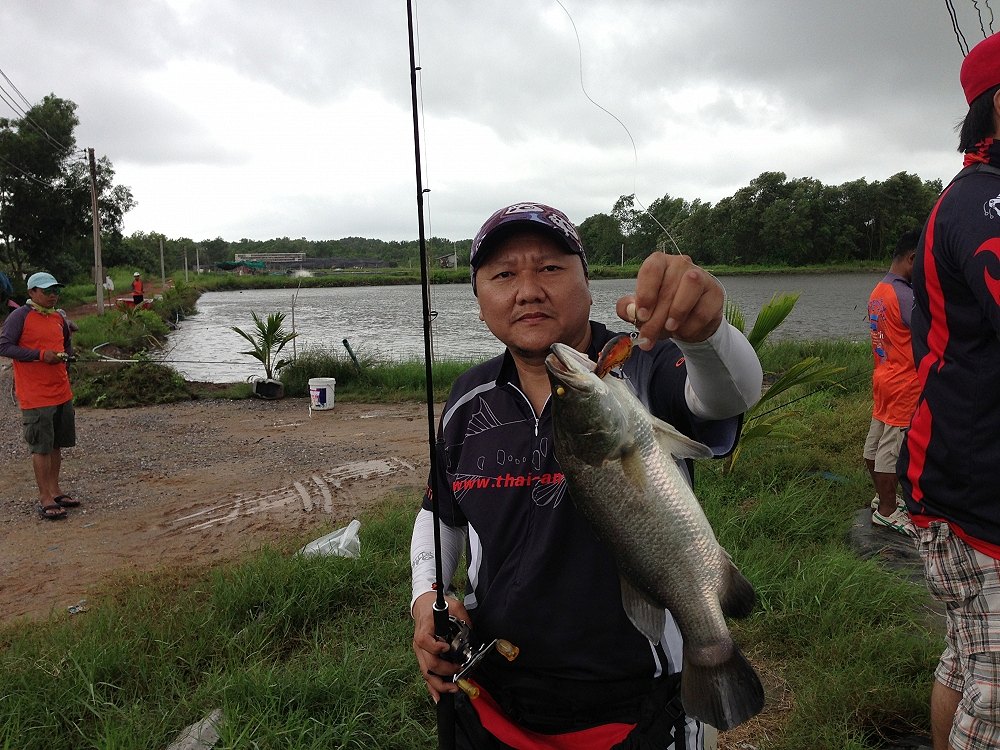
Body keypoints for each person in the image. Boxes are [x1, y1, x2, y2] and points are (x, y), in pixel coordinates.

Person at [410, 202, 764, 749]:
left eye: (550, 268)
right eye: (503, 275)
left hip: (637, 700)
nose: (528, 289)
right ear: (480, 303)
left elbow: (726, 396)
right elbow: (441, 516)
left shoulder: (642, 366)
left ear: (587, 282)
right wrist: (426, 597)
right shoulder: (466, 399)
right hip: (494, 686)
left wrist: (705, 336)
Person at [898, 32, 1000, 750]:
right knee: (995, 694)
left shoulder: (969, 197)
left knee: (967, 660)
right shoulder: (986, 202)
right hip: (977, 490)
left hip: (947, 476)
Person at [0, 271, 79, 520]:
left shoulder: (58, 317)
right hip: (36, 395)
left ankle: (55, 491)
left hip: (61, 391)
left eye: (56, 290)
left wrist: (66, 359)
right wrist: (39, 355)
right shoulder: (19, 316)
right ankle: (44, 497)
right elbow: (4, 346)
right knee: (41, 447)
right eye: (47, 291)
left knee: (56, 443)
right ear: (32, 292)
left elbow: (66, 344)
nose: (53, 295)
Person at [864, 229, 920, 536]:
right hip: (904, 385)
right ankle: (887, 510)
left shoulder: (879, 291)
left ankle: (881, 498)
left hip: (884, 378)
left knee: (874, 444)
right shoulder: (906, 294)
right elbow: (931, 331)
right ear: (912, 258)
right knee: (892, 451)